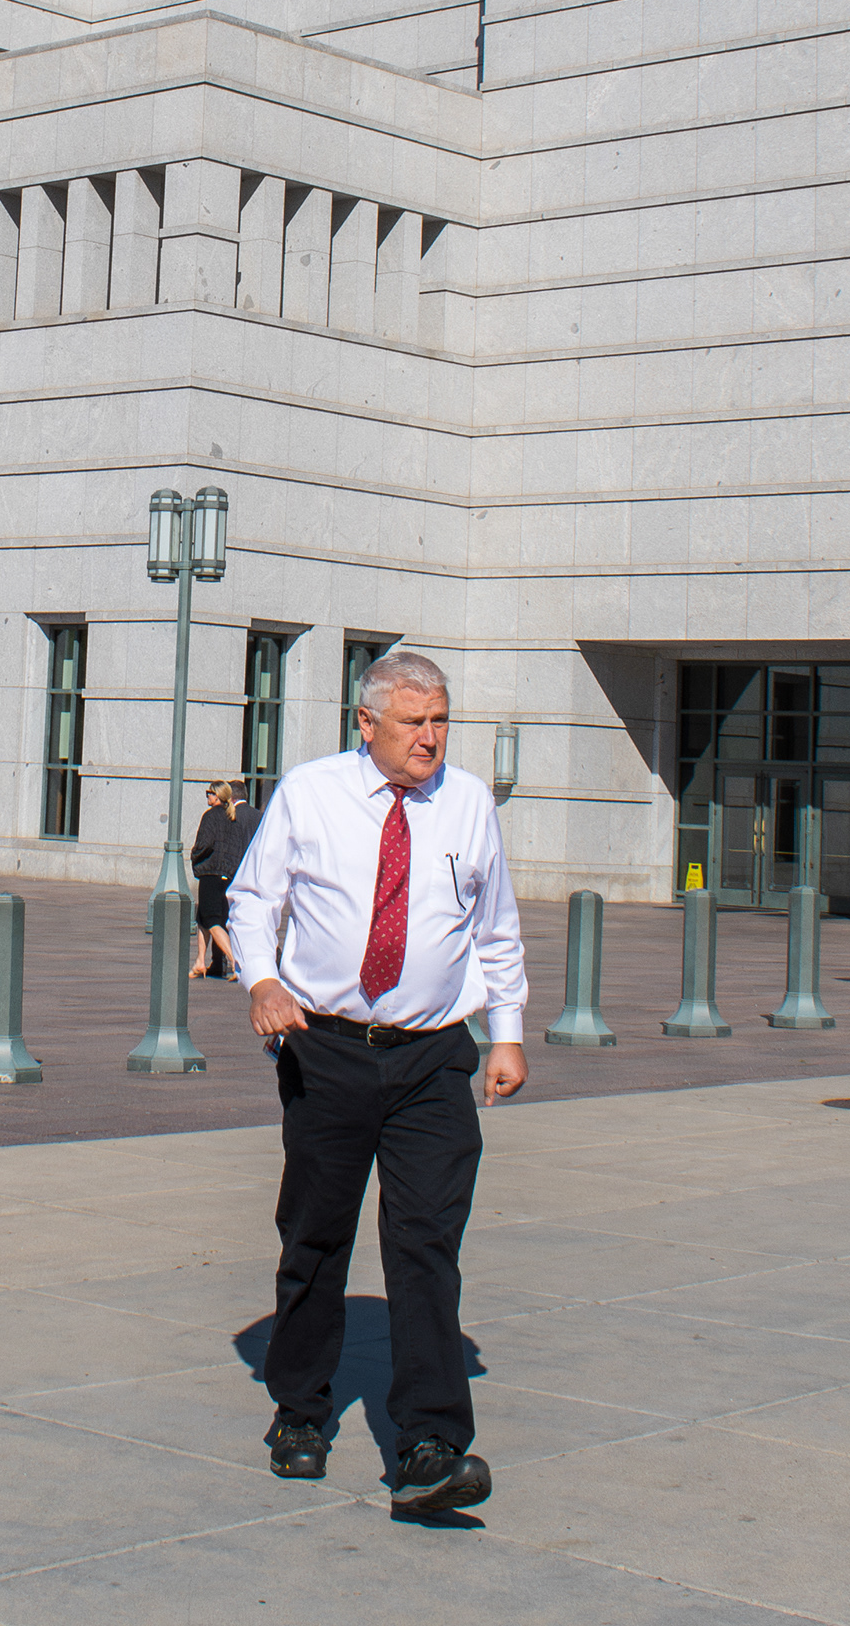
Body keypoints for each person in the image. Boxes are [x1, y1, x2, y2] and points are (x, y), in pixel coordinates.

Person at [226, 647, 525, 1518]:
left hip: (434, 1055)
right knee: (316, 1232)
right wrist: (263, 981)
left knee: (427, 1239)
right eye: (413, 723)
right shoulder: (313, 793)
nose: (430, 739)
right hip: (328, 1049)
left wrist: (504, 1034)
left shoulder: (468, 804)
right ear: (367, 724)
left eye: (440, 722)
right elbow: (252, 900)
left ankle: (431, 1442)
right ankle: (301, 1410)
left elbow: (496, 930)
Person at [191, 779, 249, 981]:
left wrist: (195, 856)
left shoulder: (211, 816)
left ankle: (235, 962)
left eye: (210, 792)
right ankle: (200, 962)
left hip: (211, 873)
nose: (207, 796)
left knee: (213, 920)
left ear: (217, 796)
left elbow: (204, 843)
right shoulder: (232, 816)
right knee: (203, 918)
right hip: (227, 875)